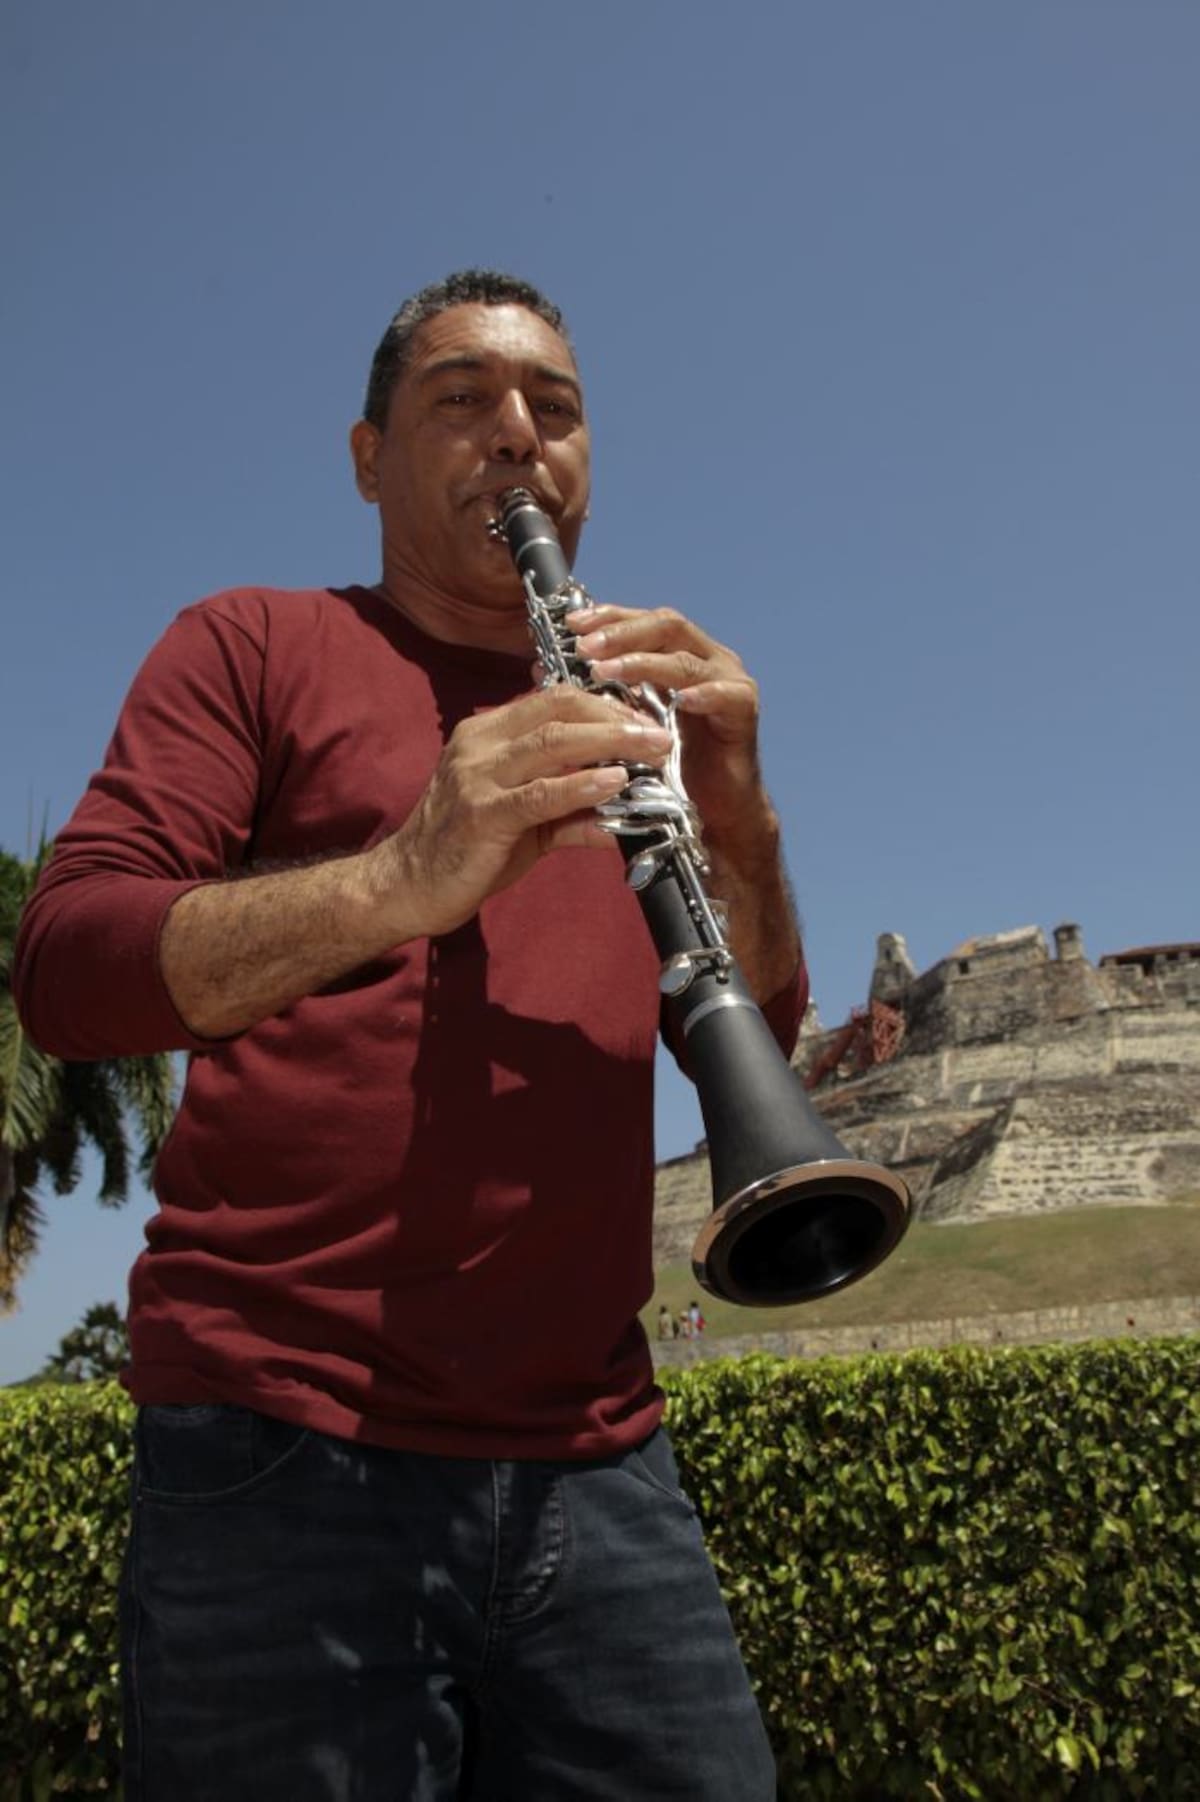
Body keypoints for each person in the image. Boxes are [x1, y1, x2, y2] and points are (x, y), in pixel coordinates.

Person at [15, 270, 807, 1801]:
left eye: (556, 410)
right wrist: (403, 873)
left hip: (604, 1461)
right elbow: (64, 967)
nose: (519, 436)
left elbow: (760, 1036)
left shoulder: (633, 711)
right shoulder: (251, 642)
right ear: (369, 454)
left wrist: (745, 820)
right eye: (463, 400)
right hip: (283, 1452)